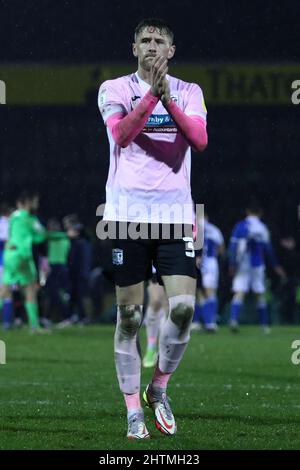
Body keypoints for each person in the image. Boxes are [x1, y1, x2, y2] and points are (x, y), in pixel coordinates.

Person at [98, 18, 208, 439]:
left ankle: (158, 387)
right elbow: (122, 135)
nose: (151, 45)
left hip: (176, 216)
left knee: (182, 310)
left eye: (159, 40)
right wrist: (149, 98)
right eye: (144, 40)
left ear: (171, 50)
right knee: (130, 317)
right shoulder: (114, 89)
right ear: (133, 48)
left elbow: (198, 140)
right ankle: (132, 412)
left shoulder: (189, 91)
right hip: (127, 215)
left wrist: (168, 100)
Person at [228, 201, 286, 333]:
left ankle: (233, 320)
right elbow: (268, 249)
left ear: (247, 212)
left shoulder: (240, 226)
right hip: (257, 264)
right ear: (260, 213)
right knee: (260, 293)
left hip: (242, 263)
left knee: (239, 292)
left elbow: (233, 246)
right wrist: (276, 266)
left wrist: (232, 263)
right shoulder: (262, 228)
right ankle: (264, 325)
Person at [1, 191, 48, 332]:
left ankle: (33, 326)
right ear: (27, 203)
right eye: (34, 201)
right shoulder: (29, 219)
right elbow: (42, 235)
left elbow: (9, 237)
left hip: (9, 255)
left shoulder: (13, 217)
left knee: (5, 290)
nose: (36, 204)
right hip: (22, 256)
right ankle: (34, 326)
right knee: (29, 290)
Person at [192, 214, 224, 332]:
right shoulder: (214, 229)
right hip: (211, 262)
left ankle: (196, 322)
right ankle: (211, 321)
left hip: (196, 261)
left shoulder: (192, 226)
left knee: (198, 292)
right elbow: (221, 249)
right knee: (211, 293)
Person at [142, 266, 168, 368]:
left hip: (176, 256)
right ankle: (151, 347)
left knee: (168, 305)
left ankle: (164, 349)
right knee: (155, 301)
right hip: (155, 260)